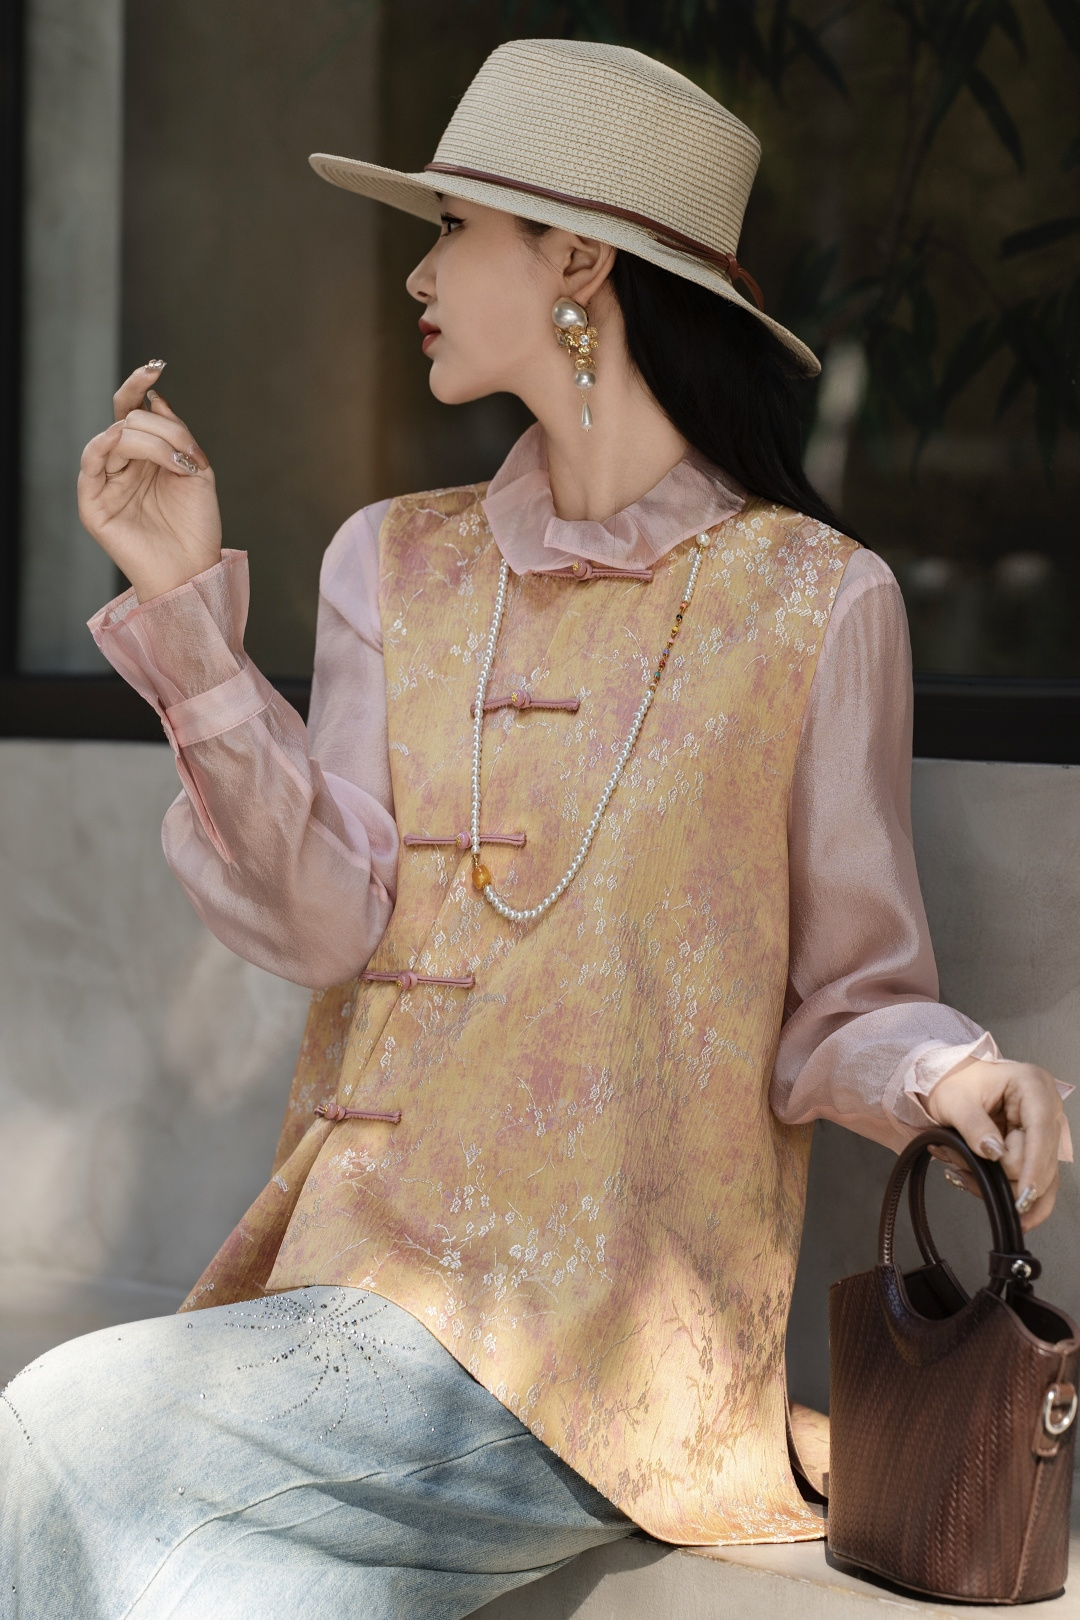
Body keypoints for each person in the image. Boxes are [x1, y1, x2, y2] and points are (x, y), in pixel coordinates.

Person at [1, 36, 1070, 1620]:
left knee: (58, 1420)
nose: (417, 273)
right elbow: (323, 921)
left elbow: (846, 999)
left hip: (608, 1353)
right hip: (361, 1291)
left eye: (452, 228)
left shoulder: (810, 603)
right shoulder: (391, 562)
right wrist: (182, 613)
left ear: (578, 261)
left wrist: (952, 1076)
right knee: (207, 1586)